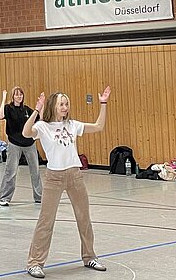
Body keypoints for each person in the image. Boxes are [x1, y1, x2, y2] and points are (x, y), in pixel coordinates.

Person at [22, 87, 111, 278]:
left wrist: (103, 103)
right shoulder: (43, 126)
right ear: (53, 105)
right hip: (54, 177)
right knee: (46, 221)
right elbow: (26, 132)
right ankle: (34, 262)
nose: (65, 107)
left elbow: (98, 126)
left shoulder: (73, 125)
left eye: (66, 104)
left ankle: (89, 256)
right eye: (61, 104)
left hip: (74, 175)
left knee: (84, 218)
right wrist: (36, 110)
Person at [0, 87, 43, 205]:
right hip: (14, 144)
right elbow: (0, 116)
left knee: (35, 171)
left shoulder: (26, 110)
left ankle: (39, 197)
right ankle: (4, 198)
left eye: (21, 94)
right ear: (13, 96)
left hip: (29, 144)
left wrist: (41, 106)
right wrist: (3, 98)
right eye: (16, 95)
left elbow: (40, 119)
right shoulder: (8, 108)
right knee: (11, 171)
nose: (19, 96)